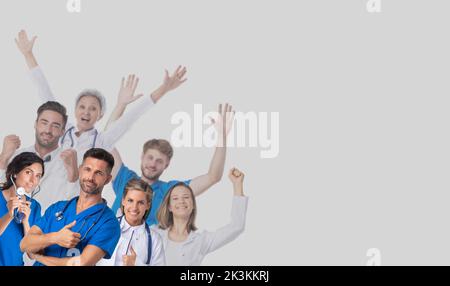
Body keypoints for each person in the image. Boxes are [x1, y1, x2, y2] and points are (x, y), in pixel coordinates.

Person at [15, 29, 187, 164]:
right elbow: (44, 92)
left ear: (100, 115)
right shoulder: (61, 128)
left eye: (93, 109)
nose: (86, 112)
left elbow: (133, 116)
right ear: (74, 110)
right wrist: (28, 55)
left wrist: (163, 89)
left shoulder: (102, 140)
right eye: (82, 107)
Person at [109, 103, 235, 225]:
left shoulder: (169, 191)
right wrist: (122, 104)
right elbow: (106, 141)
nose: (153, 164)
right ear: (142, 157)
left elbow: (213, 177)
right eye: (150, 157)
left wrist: (221, 138)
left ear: (166, 165)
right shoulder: (125, 178)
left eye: (159, 161)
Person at [20, 148, 120, 266]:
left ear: (107, 179)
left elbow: (81, 263)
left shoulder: (108, 222)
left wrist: (39, 258)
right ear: (80, 170)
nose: (90, 177)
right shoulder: (57, 208)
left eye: (99, 173)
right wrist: (55, 237)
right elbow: (25, 244)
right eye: (87, 169)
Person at [154, 167, 248, 266]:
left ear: (193, 205)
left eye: (186, 197)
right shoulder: (155, 234)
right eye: (175, 198)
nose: (181, 201)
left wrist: (237, 185)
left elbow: (236, 226)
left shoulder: (200, 241)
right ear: (169, 207)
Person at [0, 101, 79, 211]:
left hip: (45, 226)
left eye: (55, 126)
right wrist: (3, 158)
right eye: (44, 123)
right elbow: (2, 189)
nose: (48, 130)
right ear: (35, 124)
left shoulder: (70, 164)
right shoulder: (16, 156)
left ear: (62, 131)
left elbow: (73, 205)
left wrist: (74, 175)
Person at [97, 178, 165, 266]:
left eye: (140, 202)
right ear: (123, 201)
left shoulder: (155, 239)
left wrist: (136, 264)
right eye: (130, 200)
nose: (134, 207)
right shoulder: (105, 227)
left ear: (148, 205)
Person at [0, 152, 44, 266]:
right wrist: (9, 216)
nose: (33, 180)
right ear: (15, 173)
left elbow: (31, 253)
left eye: (38, 176)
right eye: (28, 172)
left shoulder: (34, 207)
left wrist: (25, 223)